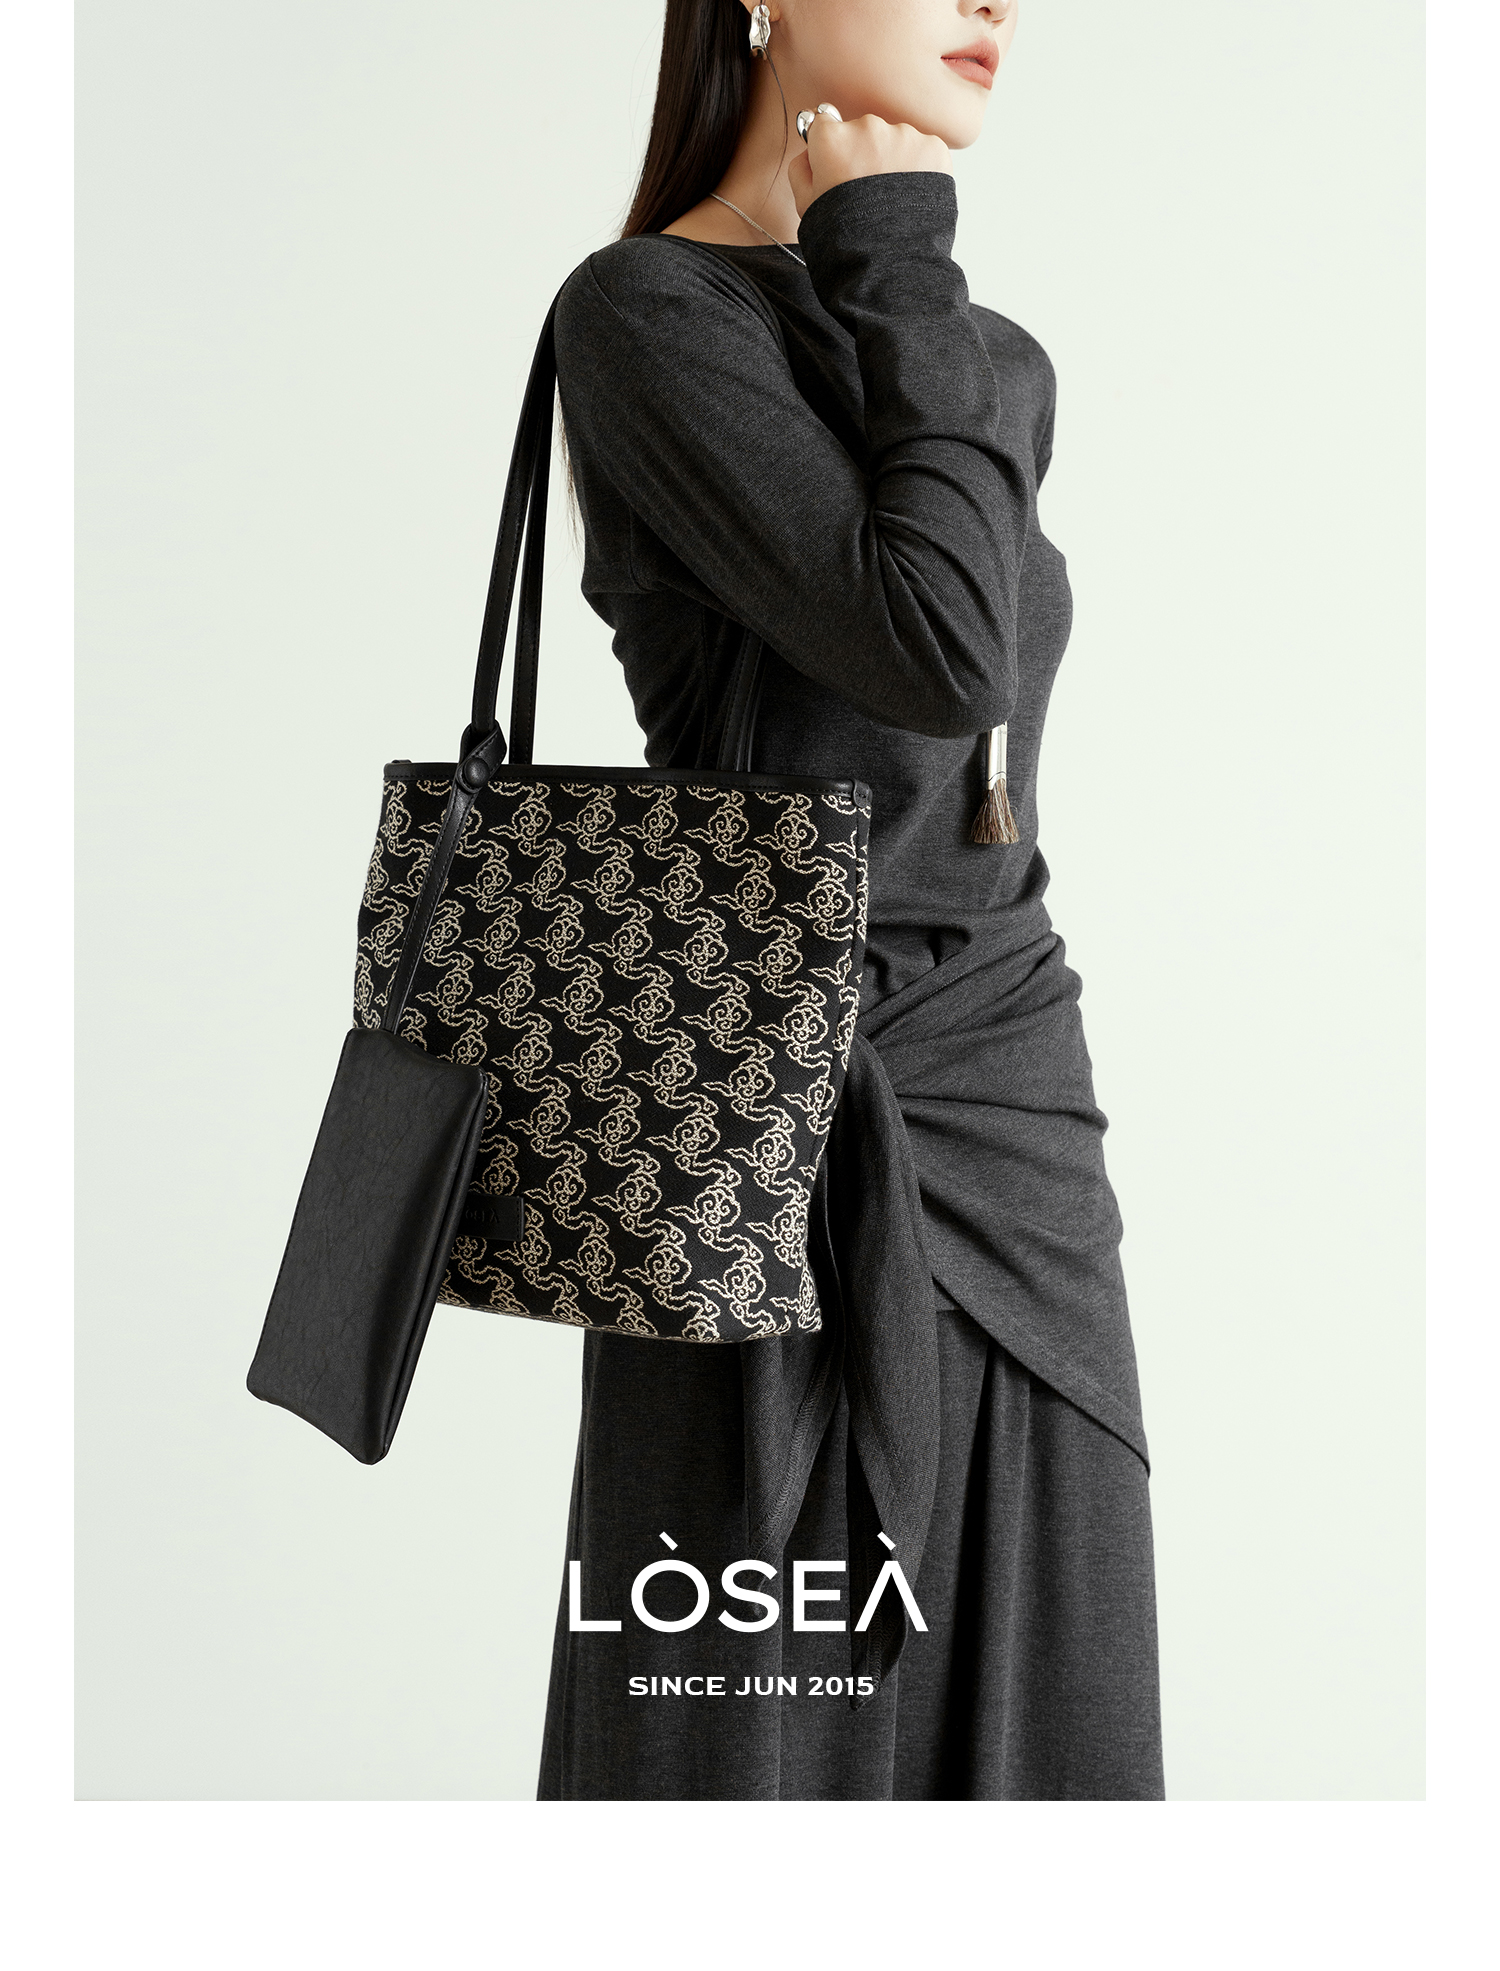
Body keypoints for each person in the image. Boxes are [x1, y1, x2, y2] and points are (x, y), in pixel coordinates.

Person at [537, 0, 1164, 1800]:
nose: (993, 6)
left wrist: (903, 282)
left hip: (1016, 1122)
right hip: (764, 1135)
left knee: (1059, 1744)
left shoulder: (979, 356)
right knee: (748, 1747)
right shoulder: (647, 316)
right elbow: (939, 650)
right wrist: (887, 242)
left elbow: (969, 732)